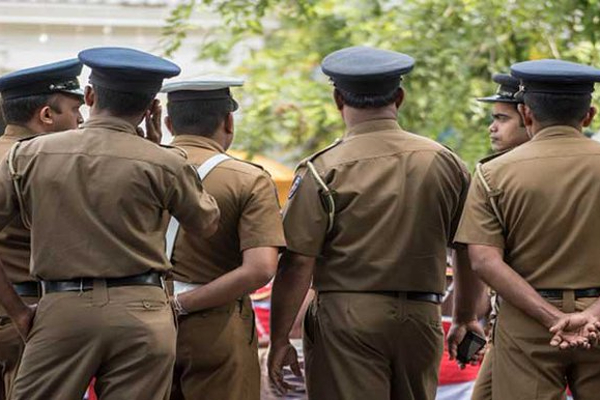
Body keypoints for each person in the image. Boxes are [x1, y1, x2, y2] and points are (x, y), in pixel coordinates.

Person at [0, 47, 220, 400]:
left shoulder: (29, 155)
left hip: (61, 308)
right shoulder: (165, 162)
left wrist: (17, 312)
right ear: (150, 109)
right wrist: (160, 151)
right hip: (143, 311)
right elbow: (206, 223)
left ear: (89, 96)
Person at [268, 45, 485, 400]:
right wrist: (464, 316)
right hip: (422, 315)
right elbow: (469, 246)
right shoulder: (446, 162)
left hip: (346, 317)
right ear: (399, 97)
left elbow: (297, 262)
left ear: (338, 99)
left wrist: (280, 340)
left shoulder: (323, 169)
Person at [454, 59, 600, 400]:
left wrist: (552, 317)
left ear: (527, 113)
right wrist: (592, 313)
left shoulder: (493, 174)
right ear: (588, 115)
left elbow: (484, 262)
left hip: (527, 321)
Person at [161, 78, 286, 400]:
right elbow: (260, 269)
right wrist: (181, 304)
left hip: (142, 321)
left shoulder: (138, 168)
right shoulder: (249, 179)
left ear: (168, 122)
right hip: (217, 327)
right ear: (228, 122)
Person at [0, 58, 84, 400]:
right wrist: (19, 313)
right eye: (75, 110)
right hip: (28, 313)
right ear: (47, 116)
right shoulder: (43, 165)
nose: (81, 120)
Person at [470, 72, 528, 400]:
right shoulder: (495, 172)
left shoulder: (502, 177)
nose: (493, 127)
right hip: (508, 319)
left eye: (502, 119)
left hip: (536, 321)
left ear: (530, 118)